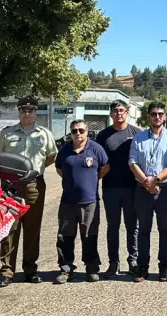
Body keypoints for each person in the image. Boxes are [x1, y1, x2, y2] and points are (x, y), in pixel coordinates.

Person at [0, 96, 58, 286]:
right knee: (9, 229)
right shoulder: (6, 134)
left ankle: (30, 270)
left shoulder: (44, 134)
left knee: (32, 229)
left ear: (36, 113)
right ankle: (7, 271)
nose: (27, 114)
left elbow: (50, 157)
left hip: (33, 186)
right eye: (23, 111)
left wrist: (34, 173)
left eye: (30, 111)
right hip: (11, 187)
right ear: (19, 112)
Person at [127, 101, 167, 282]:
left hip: (164, 190)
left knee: (164, 229)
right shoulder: (138, 138)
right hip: (142, 190)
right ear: (148, 116)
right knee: (143, 230)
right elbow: (132, 162)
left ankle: (163, 267)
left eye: (160, 114)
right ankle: (142, 268)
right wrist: (146, 181)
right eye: (153, 114)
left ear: (164, 116)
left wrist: (156, 179)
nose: (157, 117)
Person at [54, 120, 109, 284]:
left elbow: (105, 167)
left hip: (89, 201)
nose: (78, 134)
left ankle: (92, 268)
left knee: (89, 235)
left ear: (87, 132)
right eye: (74, 131)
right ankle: (66, 268)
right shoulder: (65, 150)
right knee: (65, 236)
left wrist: (91, 180)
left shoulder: (96, 149)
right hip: (68, 202)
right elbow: (59, 169)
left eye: (81, 130)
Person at [95, 100, 143, 277]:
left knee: (133, 226)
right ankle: (113, 263)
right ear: (110, 114)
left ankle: (133, 261)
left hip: (132, 188)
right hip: (110, 188)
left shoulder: (137, 133)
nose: (119, 113)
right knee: (112, 226)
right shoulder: (103, 136)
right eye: (115, 111)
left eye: (122, 110)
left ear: (128, 112)